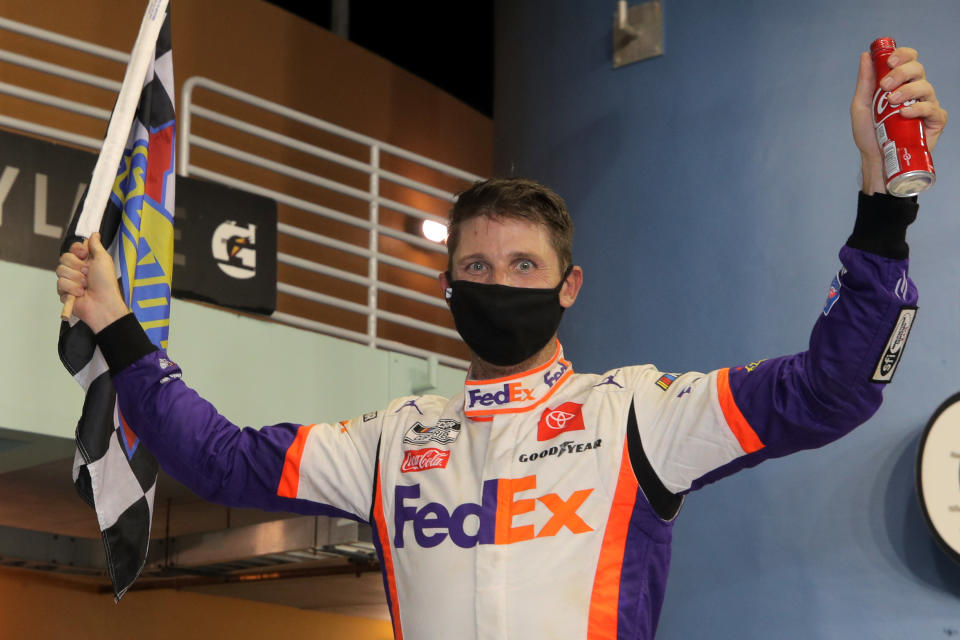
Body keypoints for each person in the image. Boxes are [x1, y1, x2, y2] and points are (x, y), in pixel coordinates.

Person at [56, 48, 946, 639]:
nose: (498, 283)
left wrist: (887, 203)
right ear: (448, 288)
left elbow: (834, 390)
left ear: (570, 287)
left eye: (525, 266)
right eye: (476, 266)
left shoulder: (640, 413)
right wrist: (114, 320)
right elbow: (215, 461)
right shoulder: (391, 441)